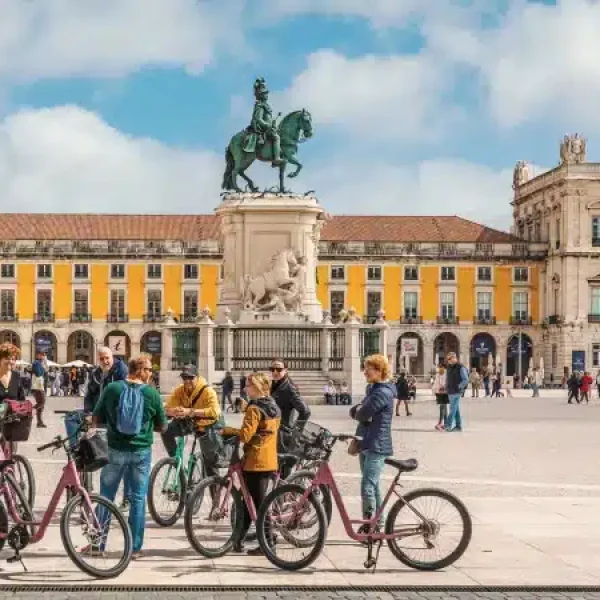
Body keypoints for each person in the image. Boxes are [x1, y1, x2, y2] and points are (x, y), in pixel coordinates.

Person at [92, 354, 167, 560]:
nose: (152, 373)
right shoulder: (152, 394)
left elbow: (96, 417)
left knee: (106, 496)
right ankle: (134, 548)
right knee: (137, 498)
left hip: (115, 449)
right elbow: (162, 425)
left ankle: (98, 543)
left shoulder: (112, 388)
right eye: (150, 370)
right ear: (143, 371)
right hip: (141, 452)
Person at [222, 372, 281, 555]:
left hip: (254, 461)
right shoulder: (272, 405)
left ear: (256, 387)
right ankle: (238, 540)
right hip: (269, 459)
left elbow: (246, 435)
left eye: (248, 386)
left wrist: (227, 431)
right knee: (250, 502)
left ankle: (268, 543)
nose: (245, 389)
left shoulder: (254, 409)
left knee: (257, 503)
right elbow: (263, 427)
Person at [349, 354, 395, 532]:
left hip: (377, 444)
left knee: (367, 485)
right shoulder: (373, 390)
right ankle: (378, 524)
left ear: (380, 371)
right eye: (366, 367)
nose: (365, 371)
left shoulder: (382, 392)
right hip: (366, 442)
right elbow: (356, 411)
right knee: (373, 485)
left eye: (369, 368)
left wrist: (360, 411)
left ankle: (370, 525)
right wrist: (359, 411)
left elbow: (360, 414)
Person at [162, 364, 221, 479]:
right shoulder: (179, 390)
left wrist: (190, 411)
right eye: (184, 378)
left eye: (190, 377)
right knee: (165, 430)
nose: (187, 381)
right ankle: (176, 463)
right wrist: (173, 411)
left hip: (207, 425)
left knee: (210, 462)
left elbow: (215, 412)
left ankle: (215, 493)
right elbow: (167, 409)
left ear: (197, 377)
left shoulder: (208, 391)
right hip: (189, 423)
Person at [270, 358, 310, 434]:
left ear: (285, 370)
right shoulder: (274, 384)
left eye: (279, 369)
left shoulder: (289, 388)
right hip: (273, 429)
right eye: (272, 369)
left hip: (283, 432)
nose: (275, 372)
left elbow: (305, 411)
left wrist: (296, 432)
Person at [445, 352, 469, 432]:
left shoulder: (460, 367)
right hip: (450, 391)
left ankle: (448, 425)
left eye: (449, 359)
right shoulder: (449, 367)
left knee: (452, 409)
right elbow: (448, 378)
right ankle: (458, 426)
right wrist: (446, 386)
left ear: (454, 358)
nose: (448, 361)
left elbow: (465, 380)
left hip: (456, 392)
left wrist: (459, 386)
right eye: (447, 359)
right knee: (456, 409)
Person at [31, 350, 48, 428]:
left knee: (41, 405)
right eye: (42, 355)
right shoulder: (36, 363)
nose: (44, 357)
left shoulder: (40, 363)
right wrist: (43, 368)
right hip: (37, 387)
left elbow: (46, 371)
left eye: (44, 355)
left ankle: (39, 422)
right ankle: (28, 411)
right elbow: (39, 374)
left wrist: (44, 364)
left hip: (39, 386)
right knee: (41, 403)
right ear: (38, 355)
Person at [432, 364, 449, 431]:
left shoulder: (443, 373)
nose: (439, 369)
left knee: (442, 407)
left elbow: (442, 383)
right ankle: (445, 423)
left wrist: (442, 387)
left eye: (440, 367)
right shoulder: (441, 373)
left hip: (442, 392)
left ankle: (440, 423)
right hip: (441, 392)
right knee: (444, 407)